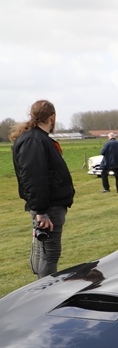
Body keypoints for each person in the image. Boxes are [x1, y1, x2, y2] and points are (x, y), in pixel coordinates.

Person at [11, 99, 75, 277]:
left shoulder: (38, 138)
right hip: (48, 208)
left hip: (48, 206)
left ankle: (41, 288)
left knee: (44, 252)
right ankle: (47, 291)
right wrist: (41, 211)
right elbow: (34, 178)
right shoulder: (34, 140)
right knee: (49, 255)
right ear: (52, 117)